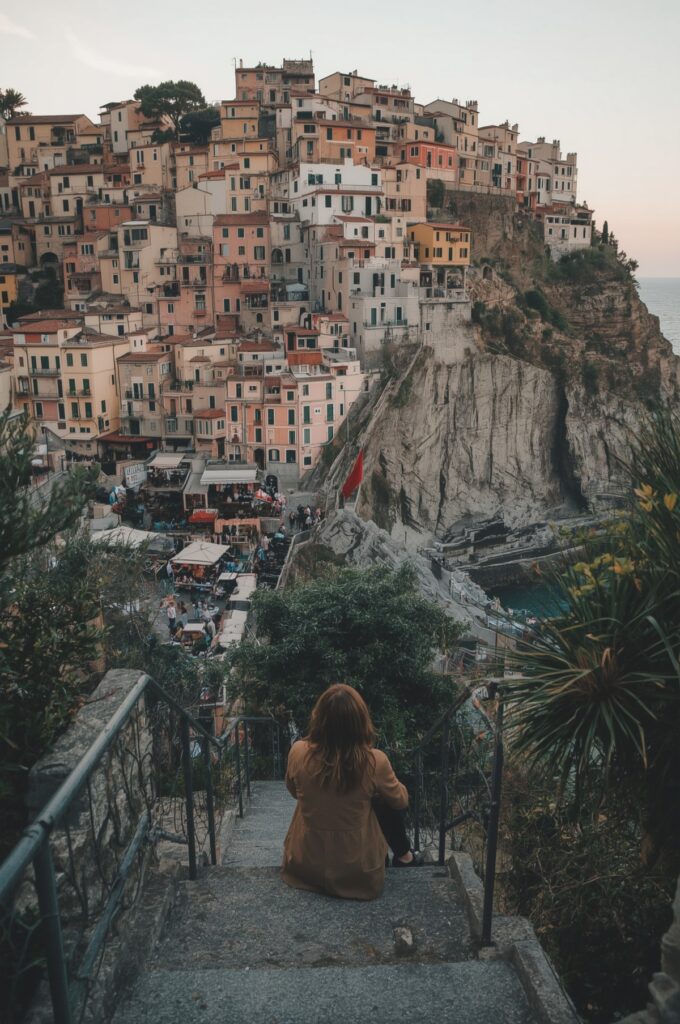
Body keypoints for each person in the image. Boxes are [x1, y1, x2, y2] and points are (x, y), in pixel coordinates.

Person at [282, 684, 420, 901]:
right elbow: (400, 801)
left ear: (318, 718)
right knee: (382, 800)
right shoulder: (375, 761)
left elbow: (293, 791)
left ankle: (404, 855)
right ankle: (405, 856)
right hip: (358, 872)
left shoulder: (298, 752)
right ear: (360, 720)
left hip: (305, 864)